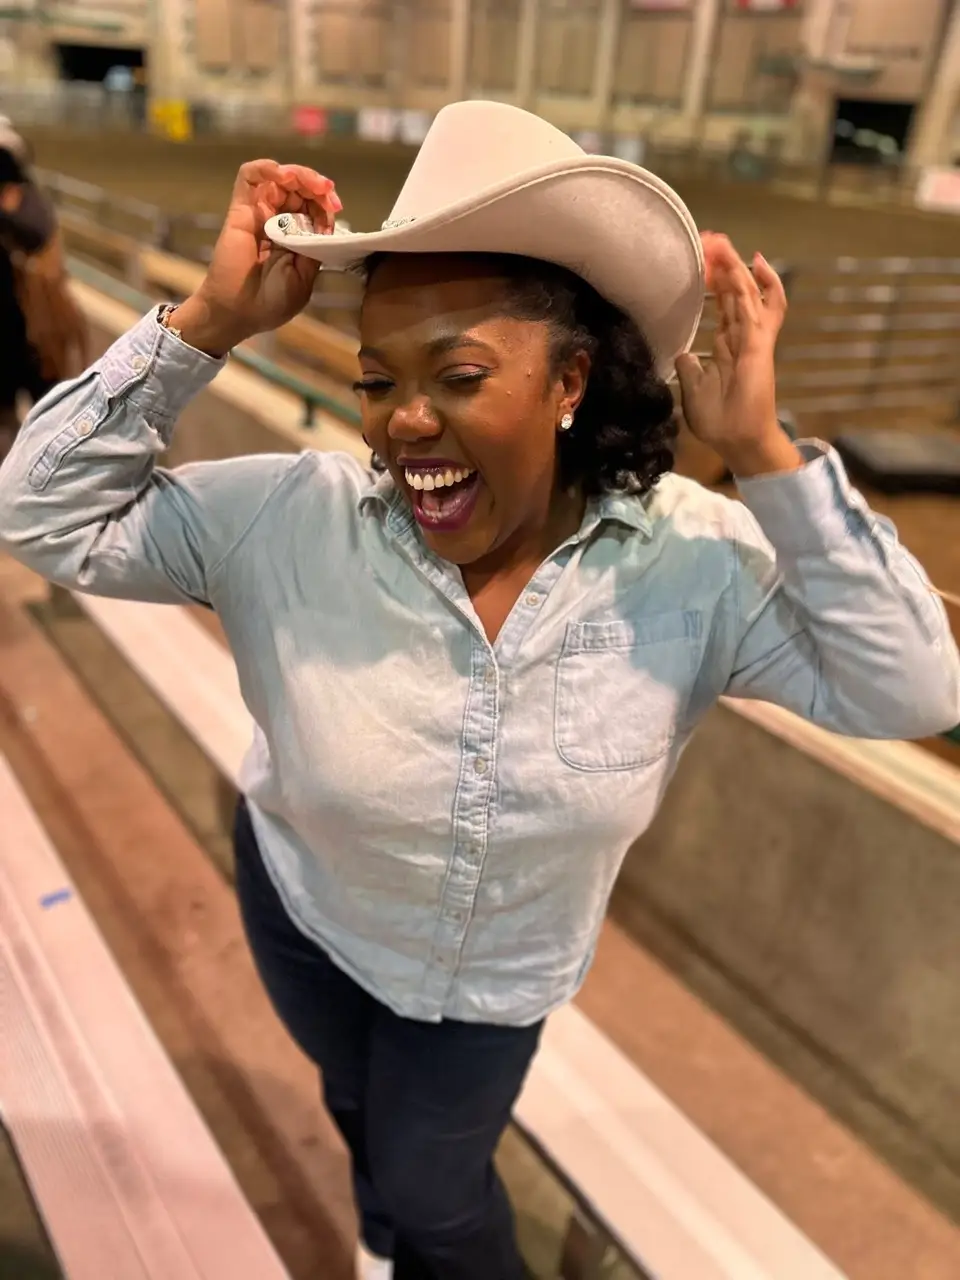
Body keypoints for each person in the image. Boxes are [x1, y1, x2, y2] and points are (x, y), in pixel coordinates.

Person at [0, 101, 957, 1280]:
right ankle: (384, 1239)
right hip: (303, 910)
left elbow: (913, 684)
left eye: (456, 372)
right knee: (359, 1111)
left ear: (570, 379)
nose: (405, 421)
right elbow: (35, 509)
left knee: (435, 1186)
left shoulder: (693, 565)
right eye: (374, 378)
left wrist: (766, 454)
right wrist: (206, 324)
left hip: (489, 983)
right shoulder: (288, 521)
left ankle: (411, 1234)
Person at [0, 118, 87, 462]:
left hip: (33, 335)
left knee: (48, 418)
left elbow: (35, 233)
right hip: (17, 336)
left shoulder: (26, 203)